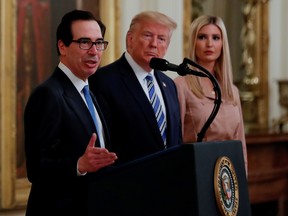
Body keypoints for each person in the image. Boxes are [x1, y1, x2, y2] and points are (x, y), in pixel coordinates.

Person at [24, 10, 117, 215]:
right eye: (85, 42)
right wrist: (79, 164)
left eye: (99, 43)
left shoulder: (88, 91)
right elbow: (36, 168)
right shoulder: (48, 94)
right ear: (62, 46)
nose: (94, 51)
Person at [89, 11, 182, 165]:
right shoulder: (103, 81)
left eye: (161, 39)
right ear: (130, 39)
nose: (154, 43)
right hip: (126, 182)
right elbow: (103, 144)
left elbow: (176, 140)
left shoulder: (169, 84)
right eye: (147, 35)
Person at [174, 15, 248, 174]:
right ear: (193, 42)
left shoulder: (232, 90)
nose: (209, 44)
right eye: (202, 37)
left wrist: (243, 177)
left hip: (229, 174)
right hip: (196, 171)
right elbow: (175, 140)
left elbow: (240, 142)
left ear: (223, 44)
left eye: (216, 38)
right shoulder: (181, 85)